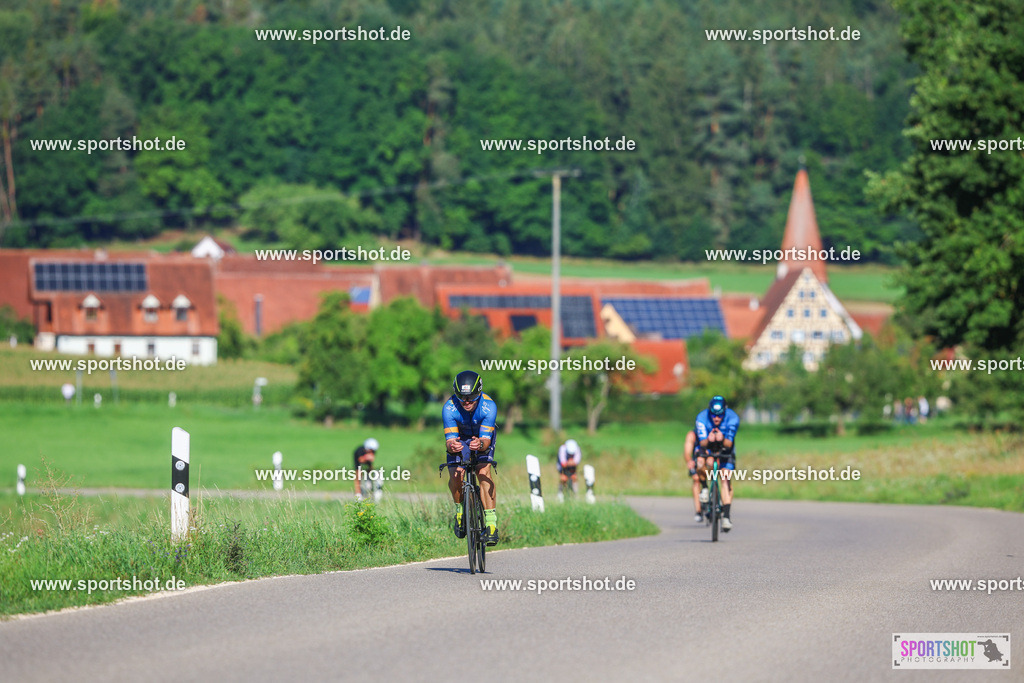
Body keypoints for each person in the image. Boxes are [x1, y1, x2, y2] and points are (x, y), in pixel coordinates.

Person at [443, 370, 499, 545]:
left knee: (483, 472)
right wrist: (453, 446)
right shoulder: (449, 408)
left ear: (479, 392)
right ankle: (460, 512)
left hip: (482, 438)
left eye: (471, 397)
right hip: (460, 438)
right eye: (462, 397)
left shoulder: (489, 406)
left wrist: (480, 445)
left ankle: (491, 525)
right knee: (456, 475)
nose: (466, 402)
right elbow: (449, 442)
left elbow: (485, 441)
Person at [694, 395, 740, 531]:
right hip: (707, 447)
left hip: (726, 449)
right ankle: (705, 488)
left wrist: (721, 439)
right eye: (713, 415)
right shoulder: (702, 418)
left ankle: (726, 516)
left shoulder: (733, 418)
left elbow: (729, 443)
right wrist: (709, 439)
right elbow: (702, 443)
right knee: (700, 462)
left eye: (720, 416)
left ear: (725, 412)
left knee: (725, 478)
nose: (716, 418)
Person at [683, 429, 704, 522]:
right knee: (696, 480)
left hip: (709, 461)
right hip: (696, 461)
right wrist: (690, 462)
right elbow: (687, 453)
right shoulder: (692, 435)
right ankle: (698, 510)